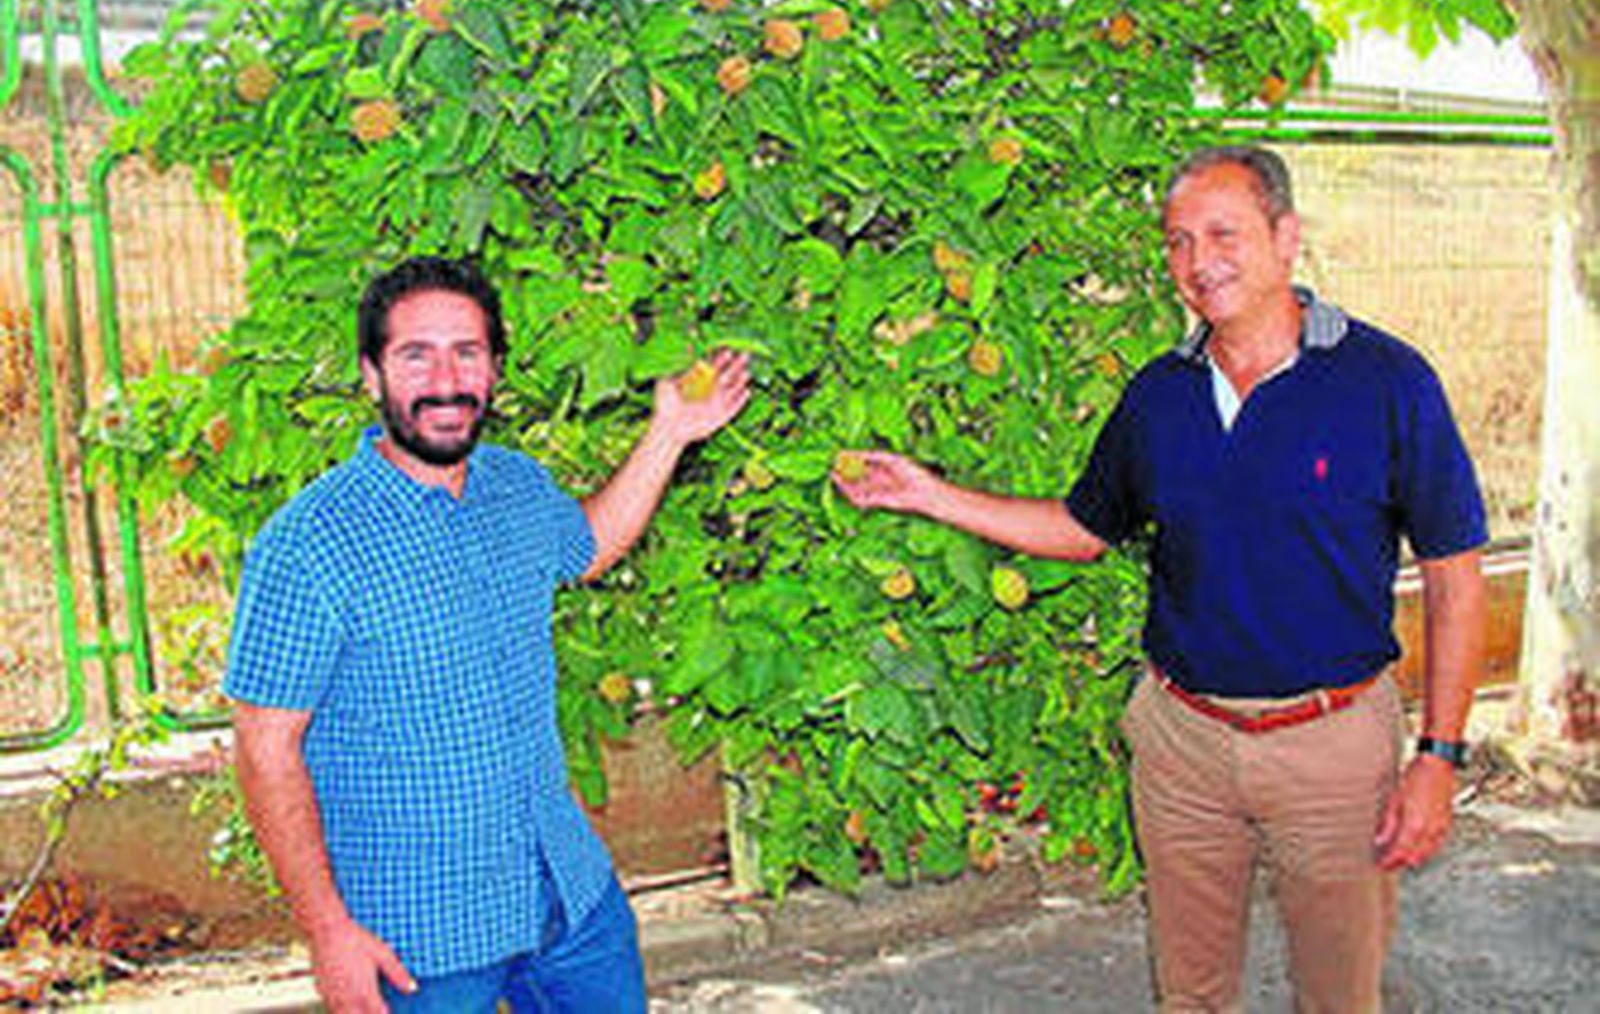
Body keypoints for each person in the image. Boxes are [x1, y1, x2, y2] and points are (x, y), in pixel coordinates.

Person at [834, 145, 1487, 1012]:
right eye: (1177, 241)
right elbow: (1081, 528)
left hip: (1331, 746)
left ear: (1286, 237)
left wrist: (1439, 755)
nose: (1197, 261)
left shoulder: (1385, 382)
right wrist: (928, 494)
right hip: (1183, 744)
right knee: (1191, 995)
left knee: (1340, 995)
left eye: (1223, 232)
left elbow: (1454, 573)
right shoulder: (1160, 396)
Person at [224, 255, 750, 1013]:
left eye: (467, 352)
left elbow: (589, 546)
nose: (446, 378)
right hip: (416, 936)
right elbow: (264, 744)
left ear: (494, 371)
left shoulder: (516, 484)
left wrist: (670, 432)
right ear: (371, 374)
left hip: (565, 891)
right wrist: (327, 930)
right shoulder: (309, 543)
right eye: (416, 354)